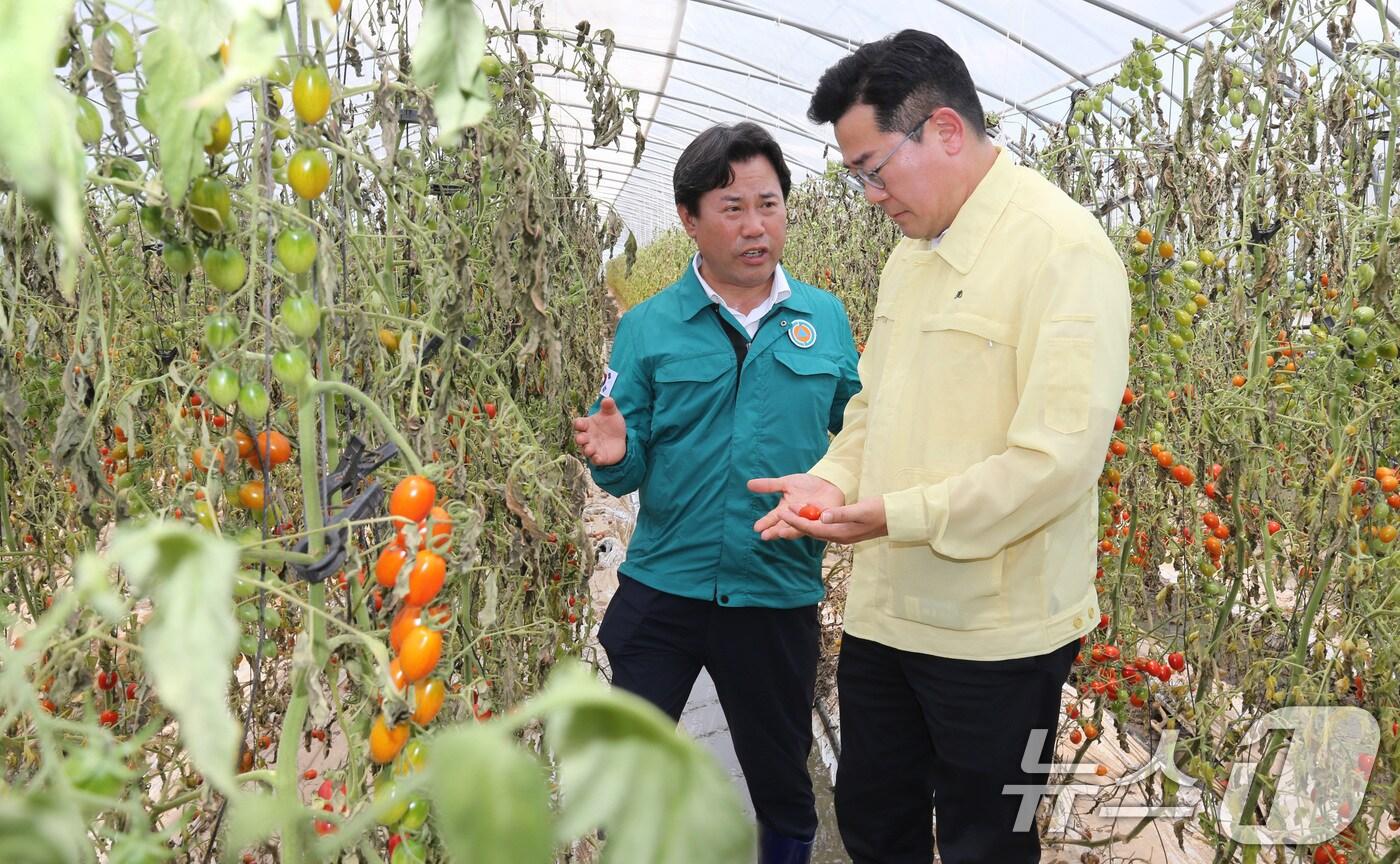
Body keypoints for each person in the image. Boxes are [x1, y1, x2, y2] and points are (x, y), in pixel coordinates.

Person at [747, 30, 1130, 864]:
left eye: (874, 169)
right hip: (890, 614)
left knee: (991, 840)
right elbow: (875, 412)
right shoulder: (911, 260)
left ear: (946, 131)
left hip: (1005, 637)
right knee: (874, 819)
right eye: (856, 176)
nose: (870, 194)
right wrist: (827, 480)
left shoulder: (1063, 252)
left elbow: (1055, 462)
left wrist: (894, 513)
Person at [573, 121, 861, 864]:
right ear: (688, 218)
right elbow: (625, 468)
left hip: (775, 591)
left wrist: (846, 494)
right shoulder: (647, 327)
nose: (756, 225)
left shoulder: (823, 320)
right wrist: (613, 456)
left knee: (782, 780)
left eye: (769, 203)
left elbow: (857, 441)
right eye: (732, 207)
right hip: (665, 585)